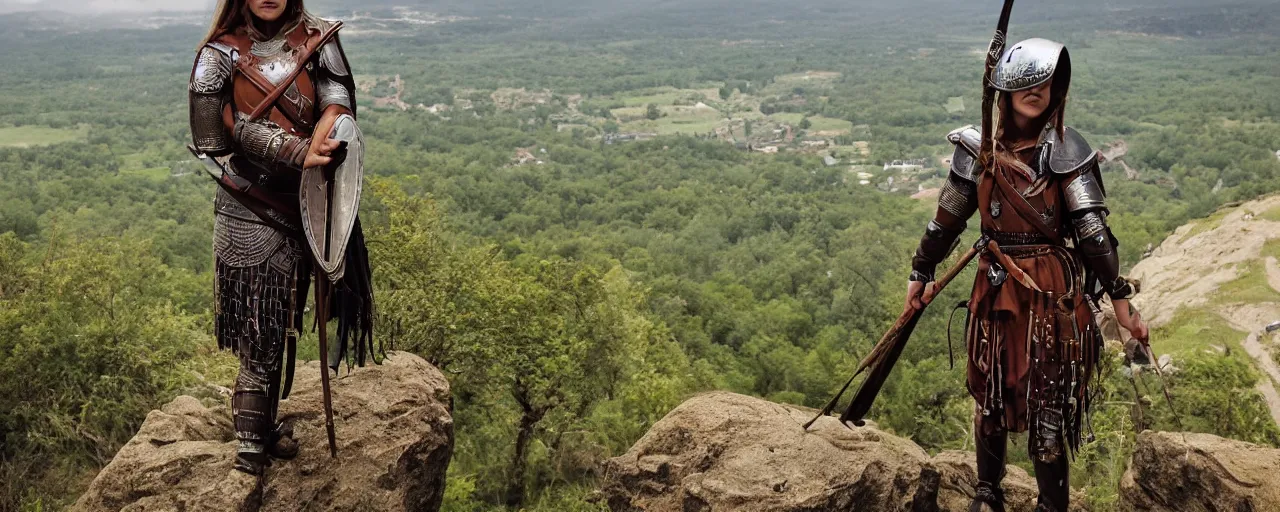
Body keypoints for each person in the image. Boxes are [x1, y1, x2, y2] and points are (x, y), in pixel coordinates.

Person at [906, 38, 1148, 512]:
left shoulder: (1065, 149)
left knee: (1048, 400)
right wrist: (921, 268)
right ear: (1005, 87)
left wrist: (1122, 303)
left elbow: (1095, 237)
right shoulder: (975, 151)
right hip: (995, 288)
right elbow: (947, 219)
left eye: (1048, 82)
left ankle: (1050, 506)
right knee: (992, 391)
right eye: (1029, 80)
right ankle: (986, 493)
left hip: (1050, 297)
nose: (1039, 89)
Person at [188, 0, 374, 476]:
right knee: (259, 329)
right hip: (250, 207)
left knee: (284, 319)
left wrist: (329, 130)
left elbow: (338, 98)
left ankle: (266, 428)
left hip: (308, 204)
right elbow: (217, 137)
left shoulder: (319, 39)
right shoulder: (218, 55)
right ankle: (250, 448)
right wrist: (295, 149)